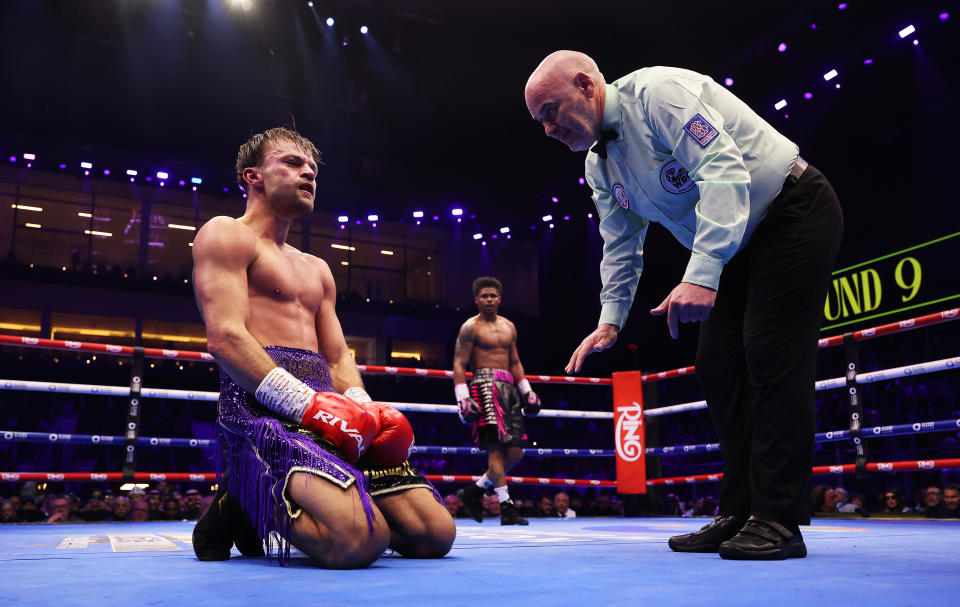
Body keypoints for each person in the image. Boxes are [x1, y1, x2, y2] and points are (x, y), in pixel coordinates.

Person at [525, 51, 843, 560]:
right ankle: (739, 511)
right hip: (732, 244)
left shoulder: (657, 93)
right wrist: (611, 319)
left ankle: (779, 518)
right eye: (538, 119)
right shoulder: (598, 164)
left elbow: (723, 169)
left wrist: (700, 274)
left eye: (550, 110)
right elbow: (620, 244)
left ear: (586, 85)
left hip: (791, 212)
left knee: (769, 353)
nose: (547, 128)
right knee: (717, 365)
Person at [190, 126, 454, 568]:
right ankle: (242, 495)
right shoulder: (225, 234)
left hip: (328, 407)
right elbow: (226, 336)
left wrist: (363, 410)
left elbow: (336, 357)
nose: (308, 172)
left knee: (433, 534)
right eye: (292, 163)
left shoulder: (316, 268)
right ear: (252, 176)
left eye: (312, 167)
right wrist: (304, 406)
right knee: (358, 542)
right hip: (260, 411)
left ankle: (246, 500)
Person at [452, 276, 541, 526]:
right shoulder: (470, 327)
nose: (489, 299)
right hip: (483, 386)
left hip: (510, 389)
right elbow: (459, 363)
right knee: (495, 449)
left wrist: (527, 391)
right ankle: (507, 508)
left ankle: (473, 491)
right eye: (484, 296)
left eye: (493, 296)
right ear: (476, 300)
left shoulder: (509, 326)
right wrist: (463, 398)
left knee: (515, 452)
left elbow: (515, 362)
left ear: (500, 299)